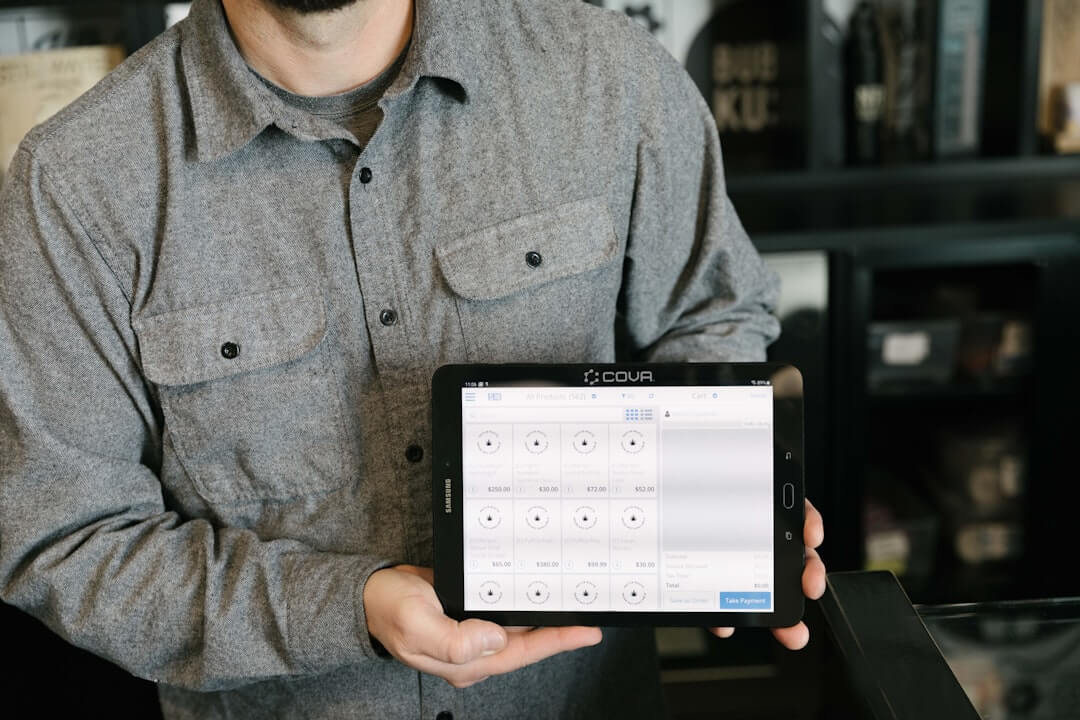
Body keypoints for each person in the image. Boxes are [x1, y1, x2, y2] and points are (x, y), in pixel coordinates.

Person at [0, 0, 826, 717]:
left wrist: (719, 505)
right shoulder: (74, 185)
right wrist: (347, 607)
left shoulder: (608, 77)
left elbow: (707, 315)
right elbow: (66, 541)